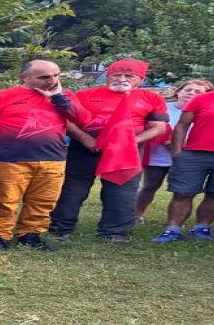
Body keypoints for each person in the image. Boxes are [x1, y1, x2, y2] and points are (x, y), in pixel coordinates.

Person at [0, 60, 93, 253]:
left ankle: (30, 235)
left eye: (56, 75)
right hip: (9, 160)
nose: (52, 80)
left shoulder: (65, 97)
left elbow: (84, 120)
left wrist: (59, 99)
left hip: (53, 159)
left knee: (43, 201)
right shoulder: (1, 97)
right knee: (4, 200)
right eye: (45, 77)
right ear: (25, 77)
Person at [49, 59, 168, 242]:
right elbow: (67, 120)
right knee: (74, 188)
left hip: (126, 152)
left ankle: (115, 232)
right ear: (108, 76)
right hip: (86, 148)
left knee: (123, 190)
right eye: (116, 75)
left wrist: (130, 141)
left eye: (128, 75)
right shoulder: (83, 94)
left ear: (141, 79)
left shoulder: (152, 98)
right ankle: (60, 228)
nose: (121, 79)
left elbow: (158, 127)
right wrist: (85, 138)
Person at [152, 69, 214, 243]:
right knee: (183, 192)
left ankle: (202, 228)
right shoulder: (203, 98)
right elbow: (181, 126)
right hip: (195, 154)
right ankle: (173, 230)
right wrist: (178, 153)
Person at [136, 78, 213, 220]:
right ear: (178, 92)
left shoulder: (207, 113)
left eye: (198, 91)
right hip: (158, 156)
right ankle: (136, 215)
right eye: (188, 90)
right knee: (150, 186)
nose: (191, 93)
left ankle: (176, 220)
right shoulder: (163, 108)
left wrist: (181, 145)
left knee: (182, 191)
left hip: (188, 157)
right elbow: (149, 127)